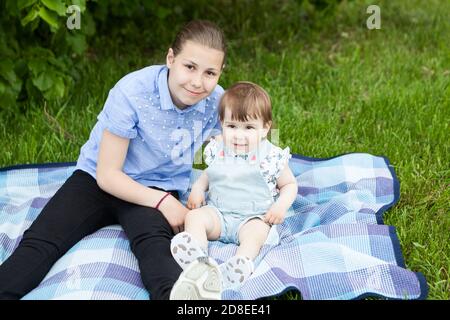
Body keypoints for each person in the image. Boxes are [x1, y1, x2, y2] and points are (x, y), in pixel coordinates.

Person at [0, 20, 227, 300]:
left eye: (209, 73)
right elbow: (108, 175)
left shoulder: (216, 102)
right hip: (98, 180)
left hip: (156, 184)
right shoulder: (133, 92)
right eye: (189, 67)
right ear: (171, 58)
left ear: (220, 73)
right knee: (41, 242)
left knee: (154, 245)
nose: (197, 82)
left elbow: (239, 148)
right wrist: (164, 202)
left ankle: (179, 299)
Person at [169, 82, 298, 299]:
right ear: (222, 124)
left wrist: (280, 206)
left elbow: (290, 185)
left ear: (265, 128)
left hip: (252, 217)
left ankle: (238, 266)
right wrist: (199, 189)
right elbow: (209, 174)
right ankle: (198, 260)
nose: (239, 135)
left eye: (248, 128)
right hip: (218, 213)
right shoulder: (217, 149)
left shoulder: (271, 157)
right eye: (232, 126)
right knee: (194, 216)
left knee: (256, 234)